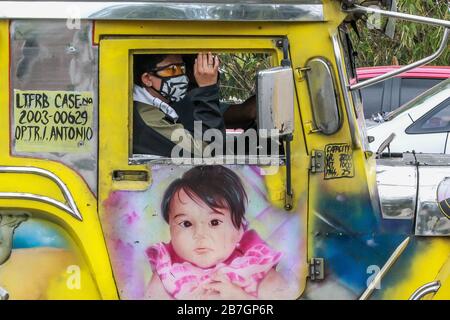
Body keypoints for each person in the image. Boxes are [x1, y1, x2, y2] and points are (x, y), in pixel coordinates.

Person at [145, 165, 292, 300]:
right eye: (186, 223)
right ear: (170, 228)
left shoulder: (256, 268)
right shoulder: (167, 273)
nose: (200, 234)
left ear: (240, 228)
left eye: (214, 222)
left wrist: (239, 297)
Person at [133, 52, 225, 157]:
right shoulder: (148, 119)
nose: (181, 76)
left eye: (182, 69)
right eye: (172, 69)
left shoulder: (164, 107)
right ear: (147, 79)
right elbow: (207, 151)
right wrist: (207, 90)